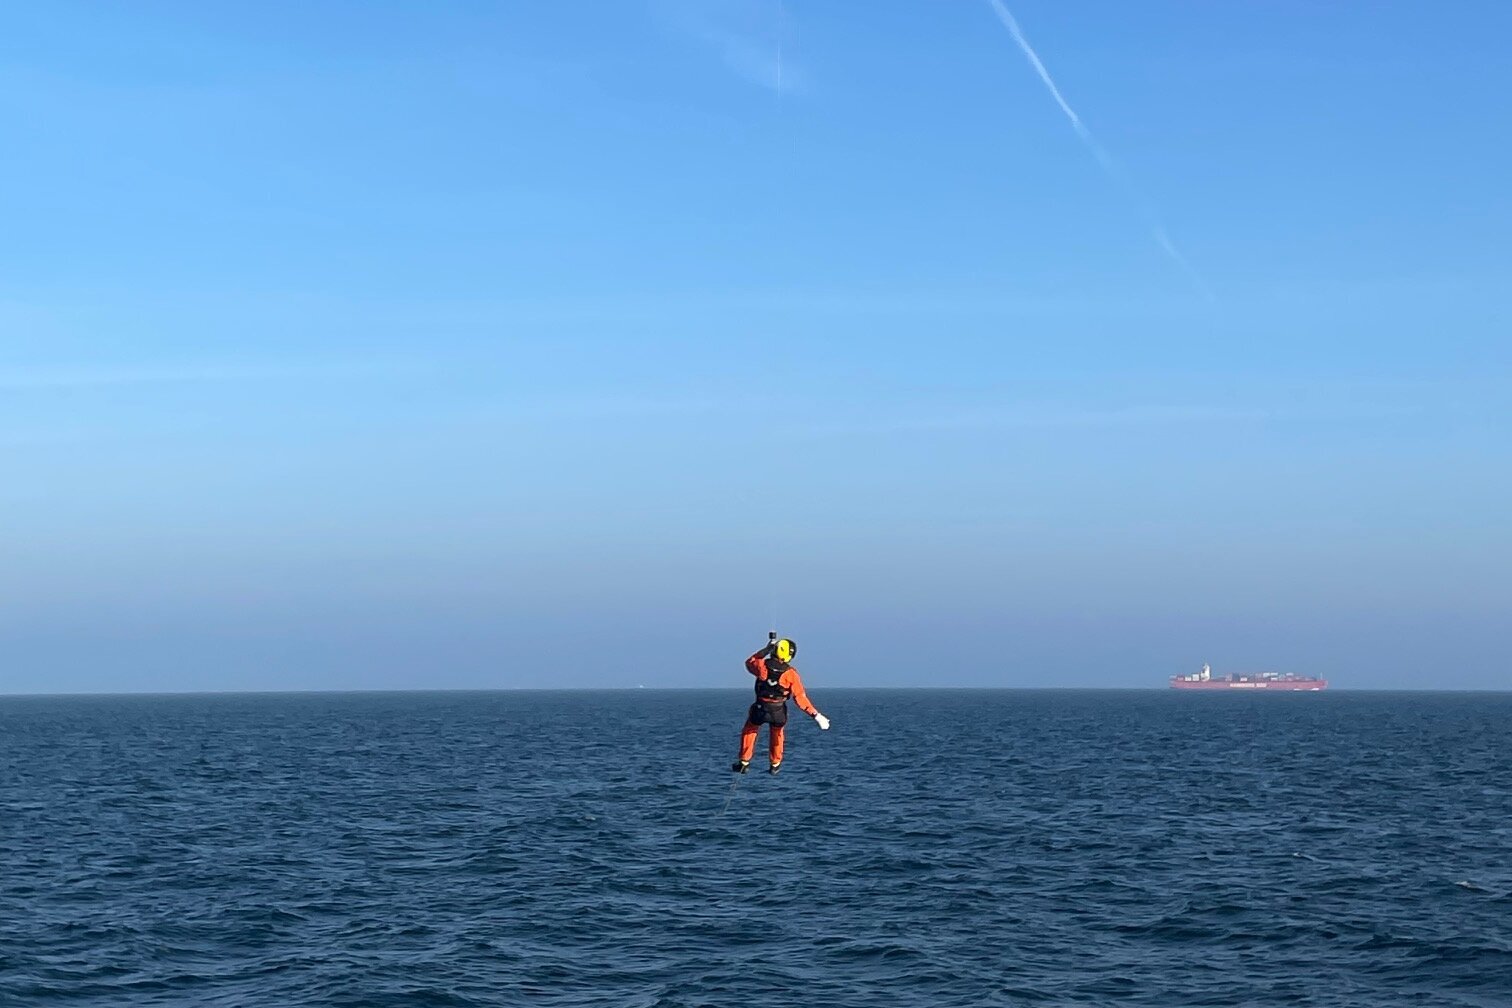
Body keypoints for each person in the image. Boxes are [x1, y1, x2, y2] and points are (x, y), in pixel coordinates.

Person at [732, 632, 830, 775]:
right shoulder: (791, 674)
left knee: (751, 729)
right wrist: (816, 715)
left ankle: (744, 762)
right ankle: (775, 764)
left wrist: (765, 650)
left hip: (760, 708)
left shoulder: (762, 666)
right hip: (778, 711)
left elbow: (750, 662)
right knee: (777, 733)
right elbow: (800, 698)